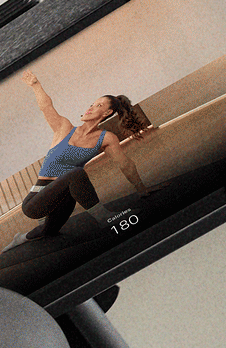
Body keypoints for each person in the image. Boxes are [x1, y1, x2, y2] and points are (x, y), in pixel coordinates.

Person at [16, 70, 151, 239]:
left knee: (48, 232)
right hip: (36, 202)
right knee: (76, 173)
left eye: (99, 106)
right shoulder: (63, 128)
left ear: (107, 113)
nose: (91, 108)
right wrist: (36, 85)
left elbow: (125, 163)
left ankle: (20, 238)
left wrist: (142, 189)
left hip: (65, 198)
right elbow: (46, 107)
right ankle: (104, 217)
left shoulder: (106, 138)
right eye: (92, 104)